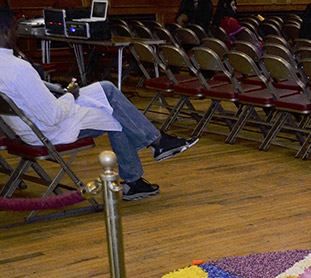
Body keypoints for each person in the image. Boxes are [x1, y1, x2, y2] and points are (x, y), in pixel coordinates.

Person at [0, 7, 197, 201]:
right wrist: (70, 96)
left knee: (106, 90)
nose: (18, 34)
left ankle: (151, 154)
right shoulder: (20, 69)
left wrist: (60, 92)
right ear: (5, 30)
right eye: (16, 29)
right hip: (49, 130)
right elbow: (53, 117)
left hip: (27, 127)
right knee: (113, 112)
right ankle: (144, 163)